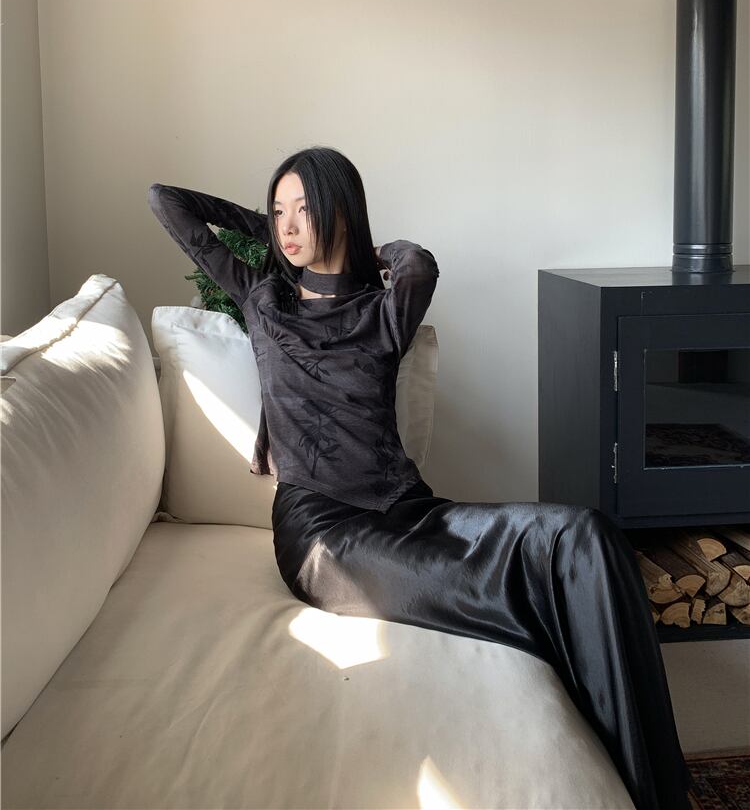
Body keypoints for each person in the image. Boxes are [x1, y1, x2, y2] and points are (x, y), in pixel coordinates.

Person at [148, 145, 693, 810]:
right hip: (324, 533)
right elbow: (165, 201)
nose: (287, 225)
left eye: (303, 209)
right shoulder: (263, 301)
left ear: (342, 213)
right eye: (278, 210)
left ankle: (658, 788)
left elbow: (418, 262)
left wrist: (361, 245)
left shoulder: (385, 309)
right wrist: (268, 226)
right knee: (509, 586)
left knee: (587, 536)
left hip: (410, 509)